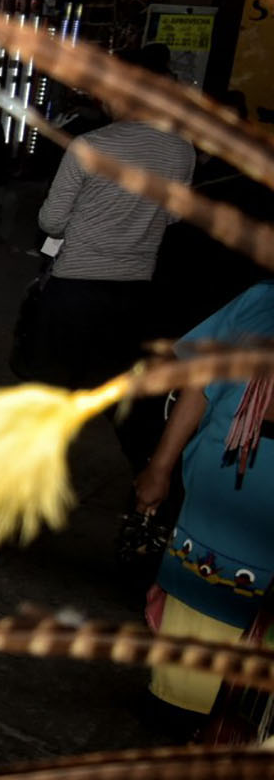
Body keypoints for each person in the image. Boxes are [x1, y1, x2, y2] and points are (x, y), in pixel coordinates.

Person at [31, 64, 196, 461]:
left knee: (55, 379)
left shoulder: (91, 145)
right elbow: (173, 216)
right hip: (135, 284)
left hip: (77, 281)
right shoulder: (181, 150)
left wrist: (91, 218)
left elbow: (51, 220)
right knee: (118, 382)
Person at [133, 279, 274, 715]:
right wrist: (159, 468)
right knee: (185, 684)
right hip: (217, 502)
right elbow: (197, 385)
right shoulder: (261, 301)